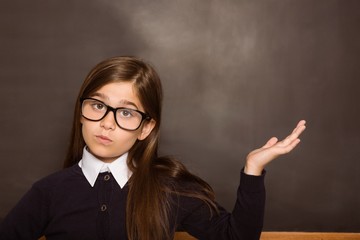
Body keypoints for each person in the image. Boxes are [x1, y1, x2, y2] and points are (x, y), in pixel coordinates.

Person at [0, 56, 306, 240]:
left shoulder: (168, 191)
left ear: (146, 128)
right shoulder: (49, 192)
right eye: (97, 106)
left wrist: (253, 170)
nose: (106, 123)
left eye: (126, 113)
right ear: (81, 111)